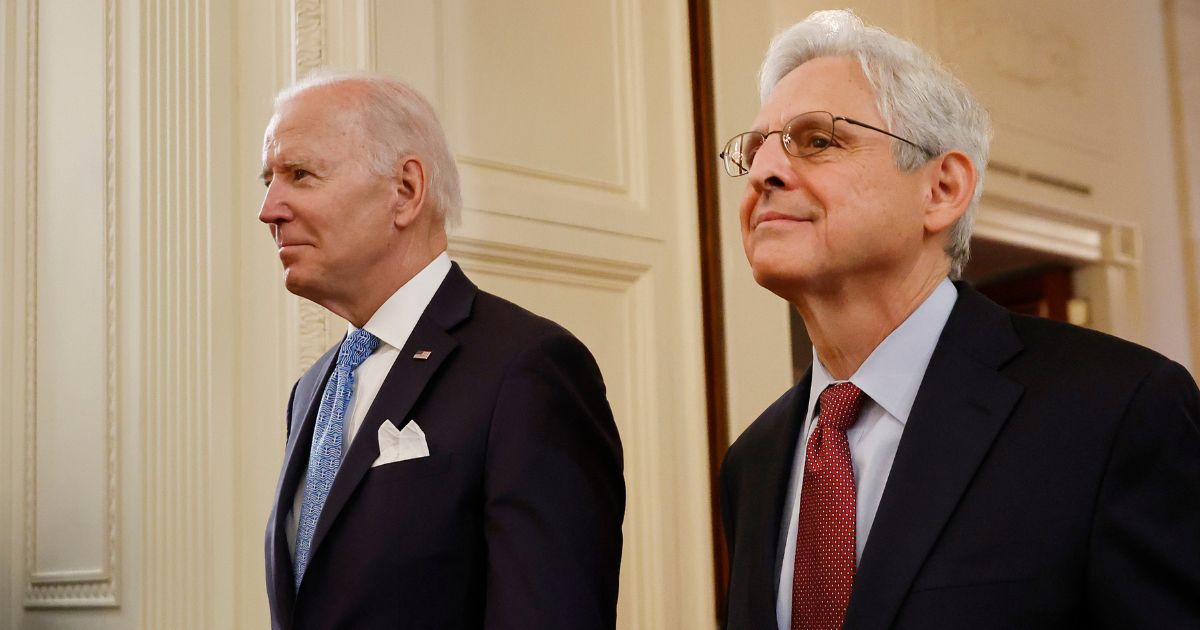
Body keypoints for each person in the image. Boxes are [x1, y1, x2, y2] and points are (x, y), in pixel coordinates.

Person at [718, 9, 1200, 630]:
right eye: (755, 149)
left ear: (942, 187)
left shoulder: (1119, 410)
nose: (763, 173)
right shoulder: (752, 462)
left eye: (818, 140)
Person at [258, 71, 624, 630]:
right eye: (269, 180)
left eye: (300, 175)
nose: (270, 208)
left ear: (405, 191)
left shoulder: (527, 368)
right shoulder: (312, 389)